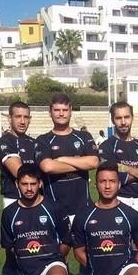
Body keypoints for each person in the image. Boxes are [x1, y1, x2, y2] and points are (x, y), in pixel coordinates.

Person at [0, 101, 41, 275]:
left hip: (37, 201)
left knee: (37, 248)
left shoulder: (34, 143)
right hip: (15, 200)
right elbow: (19, 171)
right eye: (18, 116)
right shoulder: (5, 142)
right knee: (13, 251)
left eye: (26, 117)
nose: (22, 121)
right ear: (10, 118)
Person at [35, 93, 99, 223]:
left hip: (83, 209)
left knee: (82, 244)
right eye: (57, 110)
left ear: (71, 112)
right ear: (50, 112)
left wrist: (61, 159)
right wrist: (80, 163)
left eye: (65, 110)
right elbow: (48, 167)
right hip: (54, 210)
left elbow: (93, 161)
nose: (61, 114)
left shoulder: (84, 136)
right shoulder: (43, 140)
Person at [96, 101, 138, 219]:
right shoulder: (106, 147)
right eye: (119, 118)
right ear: (113, 120)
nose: (123, 122)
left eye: (126, 117)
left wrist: (125, 168)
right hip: (118, 201)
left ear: (132, 118)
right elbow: (114, 177)